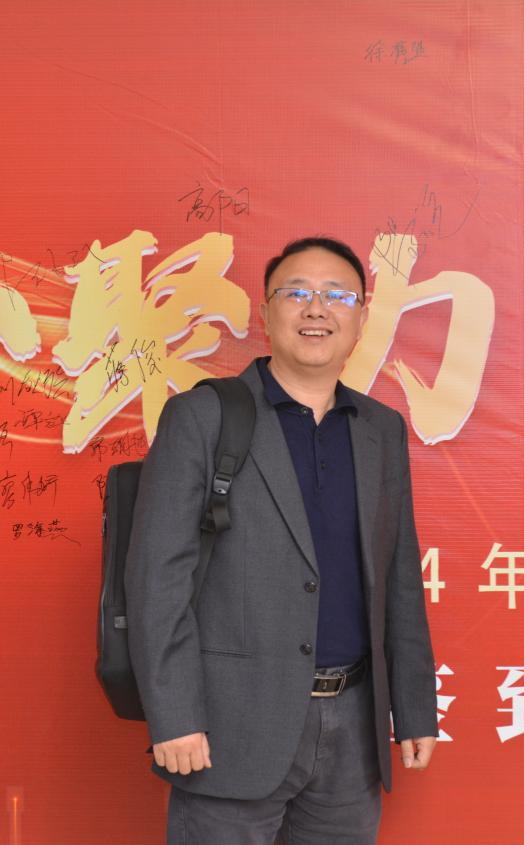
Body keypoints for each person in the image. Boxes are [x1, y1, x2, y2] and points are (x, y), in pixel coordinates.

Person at [127, 235, 438, 843]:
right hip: (229, 725)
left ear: (361, 319)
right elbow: (156, 579)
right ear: (266, 314)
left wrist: (413, 708)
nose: (316, 309)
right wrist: (175, 715)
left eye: (337, 296)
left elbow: (398, 577)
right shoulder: (203, 417)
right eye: (296, 293)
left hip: (354, 728)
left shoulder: (380, 429)